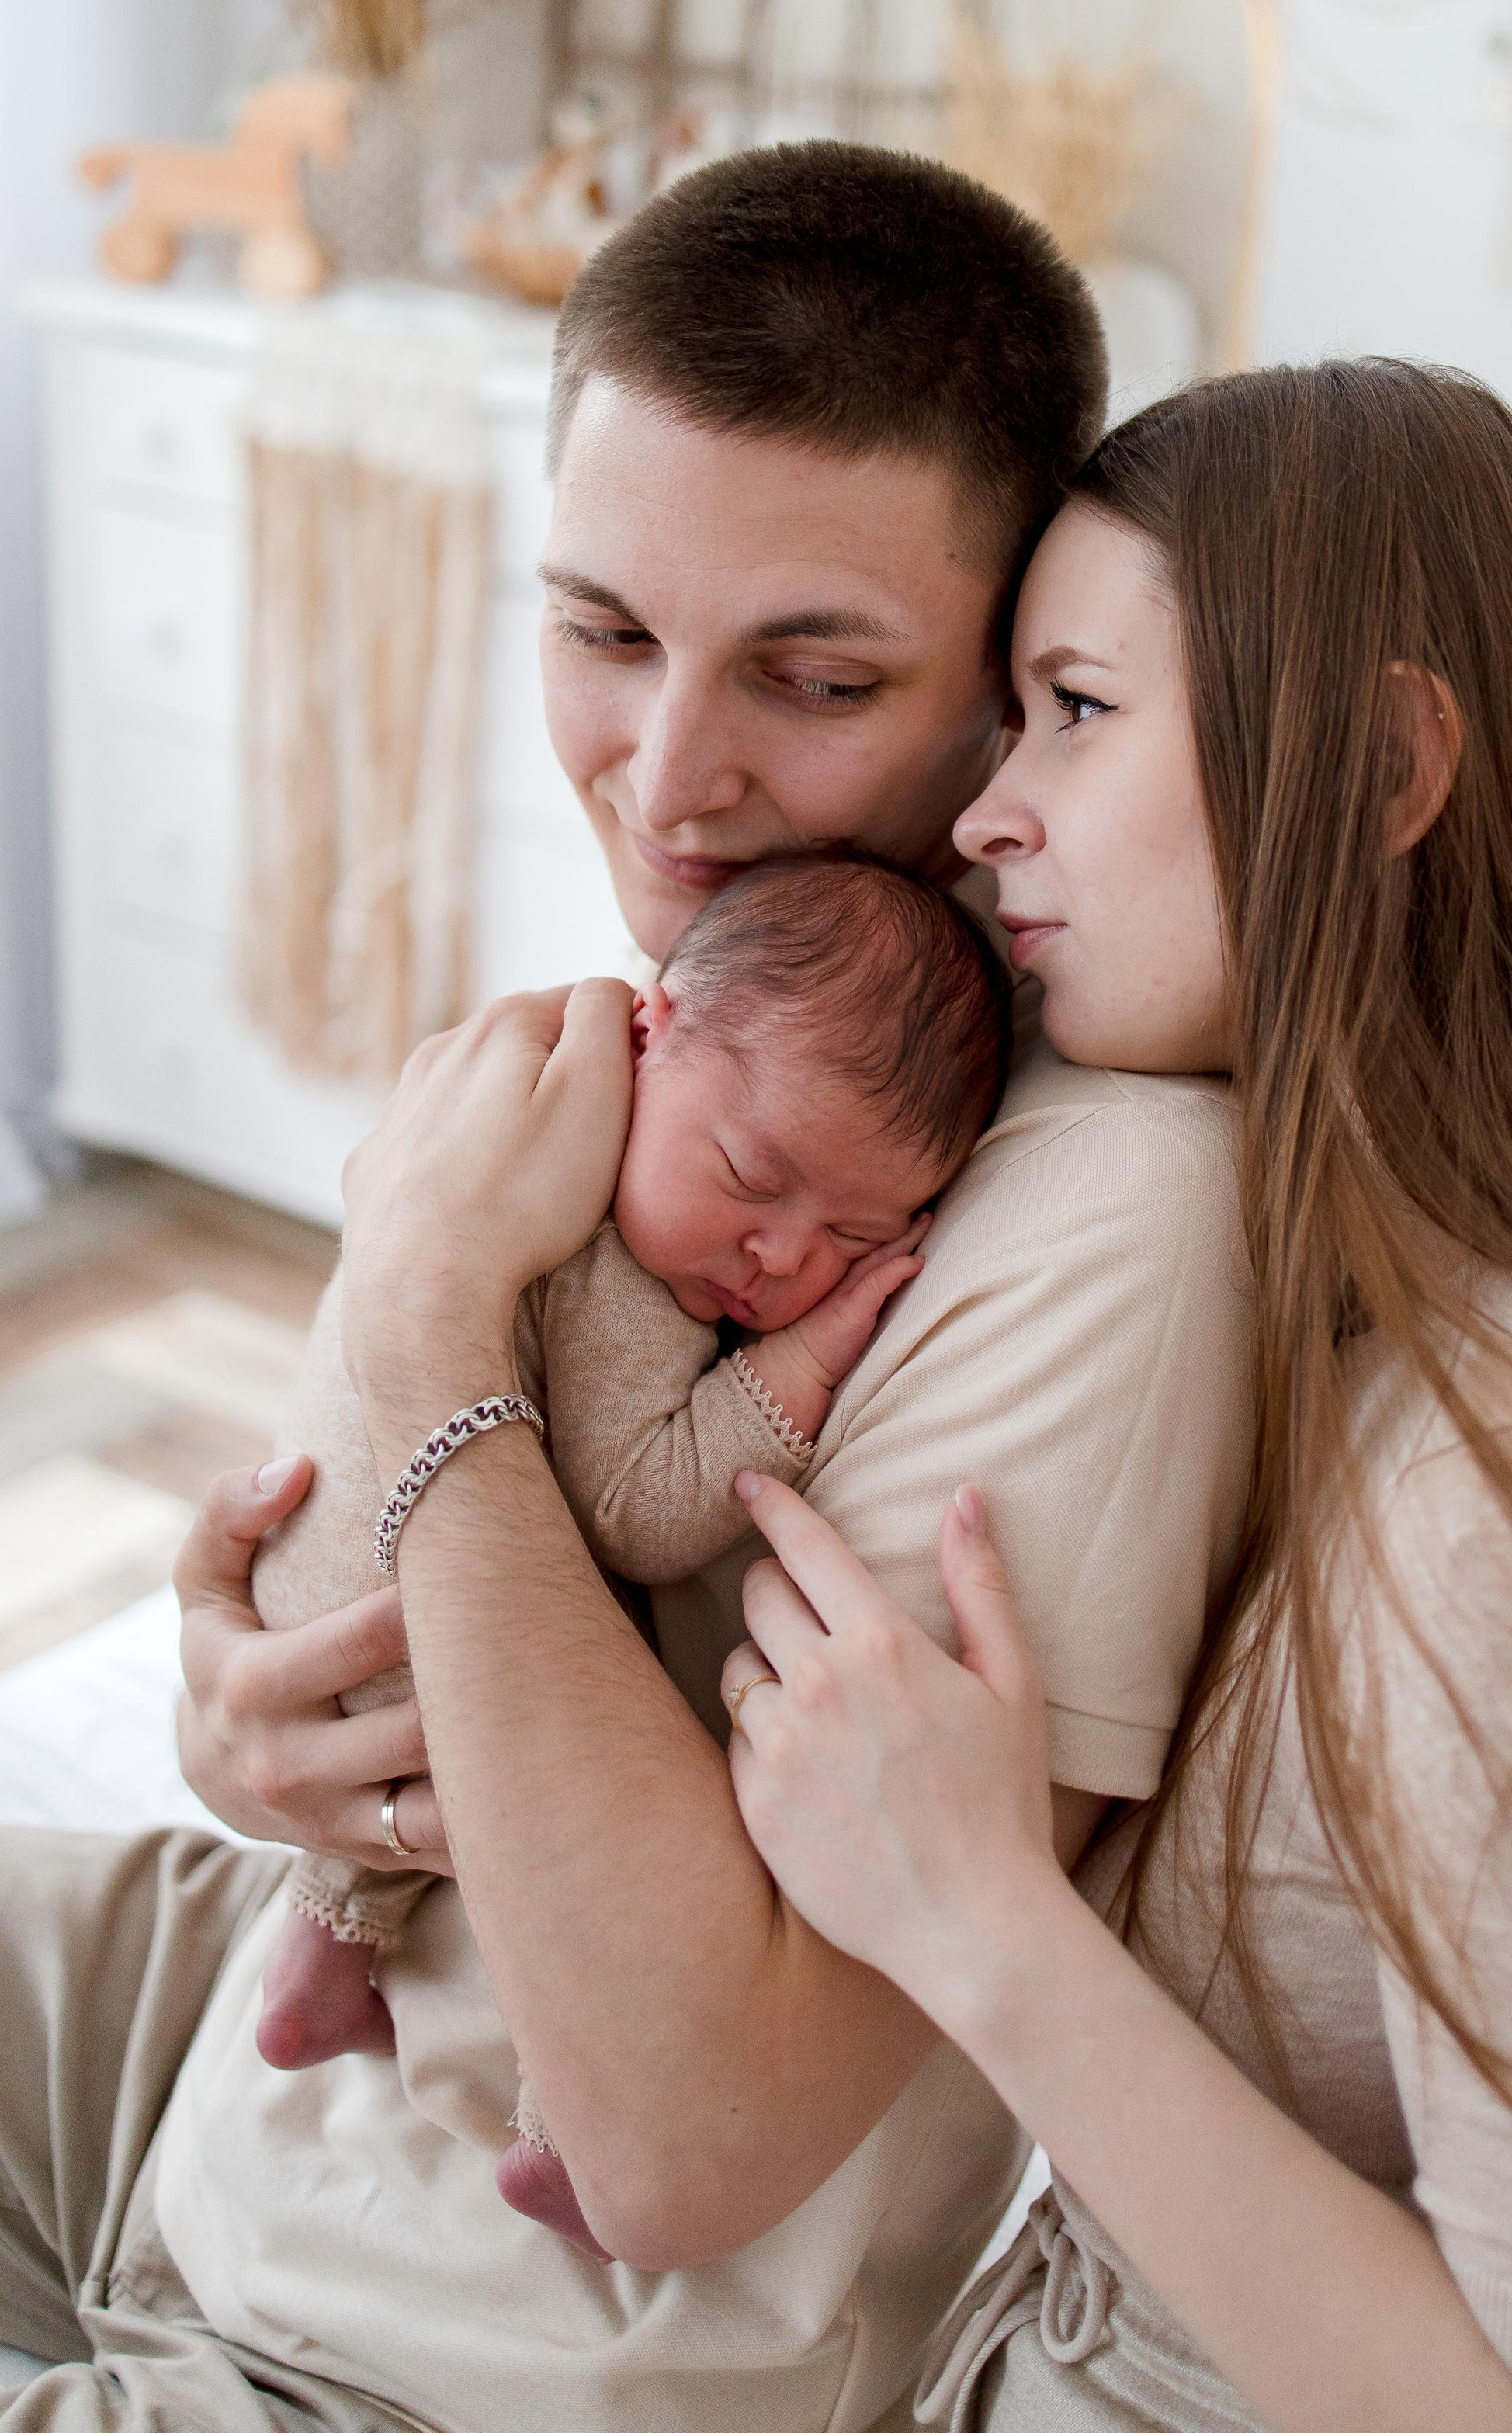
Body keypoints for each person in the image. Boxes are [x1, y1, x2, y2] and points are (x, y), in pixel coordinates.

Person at [0, 147, 1255, 2431]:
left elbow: (690, 2142)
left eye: (818, 672)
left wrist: (416, 1317)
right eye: (601, 631)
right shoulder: (727, 1010)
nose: (668, 786)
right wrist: (247, 1718)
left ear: (1011, 689)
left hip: (434, 2352)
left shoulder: (1101, 1222)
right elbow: (450, 1550)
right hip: (221, 2066)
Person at [708, 360, 1512, 2433]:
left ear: (1372, 765)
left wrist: (989, 1924)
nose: (992, 811)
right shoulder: (1294, 1303)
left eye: (1078, 712)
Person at [248, 849, 1008, 2259]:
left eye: (855, 1236)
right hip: (398, 1643)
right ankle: (562, 2123)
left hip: (293, 1594)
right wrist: (806, 1359)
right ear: (650, 1038)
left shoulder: (506, 1110)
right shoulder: (607, 1265)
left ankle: (321, 1951)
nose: (777, 1256)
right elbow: (638, 1507)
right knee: (626, 1710)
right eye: (752, 1175)